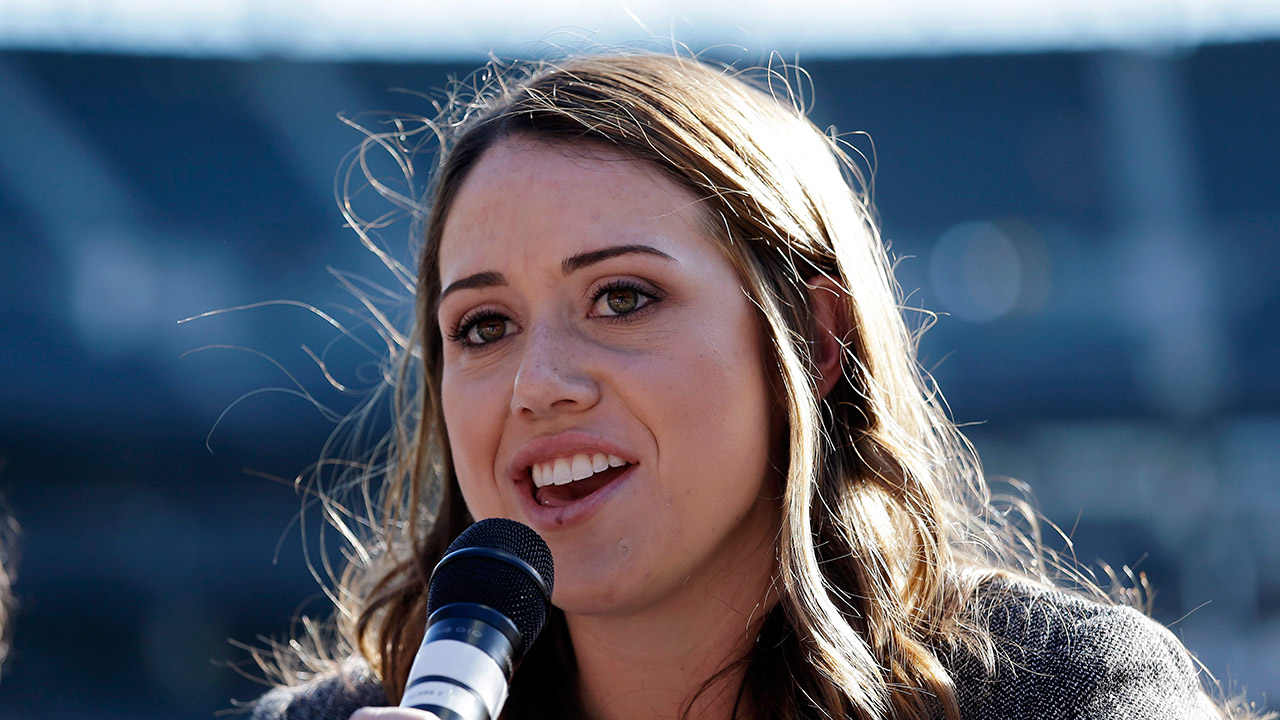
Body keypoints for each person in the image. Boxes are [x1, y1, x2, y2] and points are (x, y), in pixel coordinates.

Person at [245, 52, 1267, 720]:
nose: (538, 383)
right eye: (483, 325)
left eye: (622, 298)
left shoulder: (1058, 696)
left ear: (815, 341)